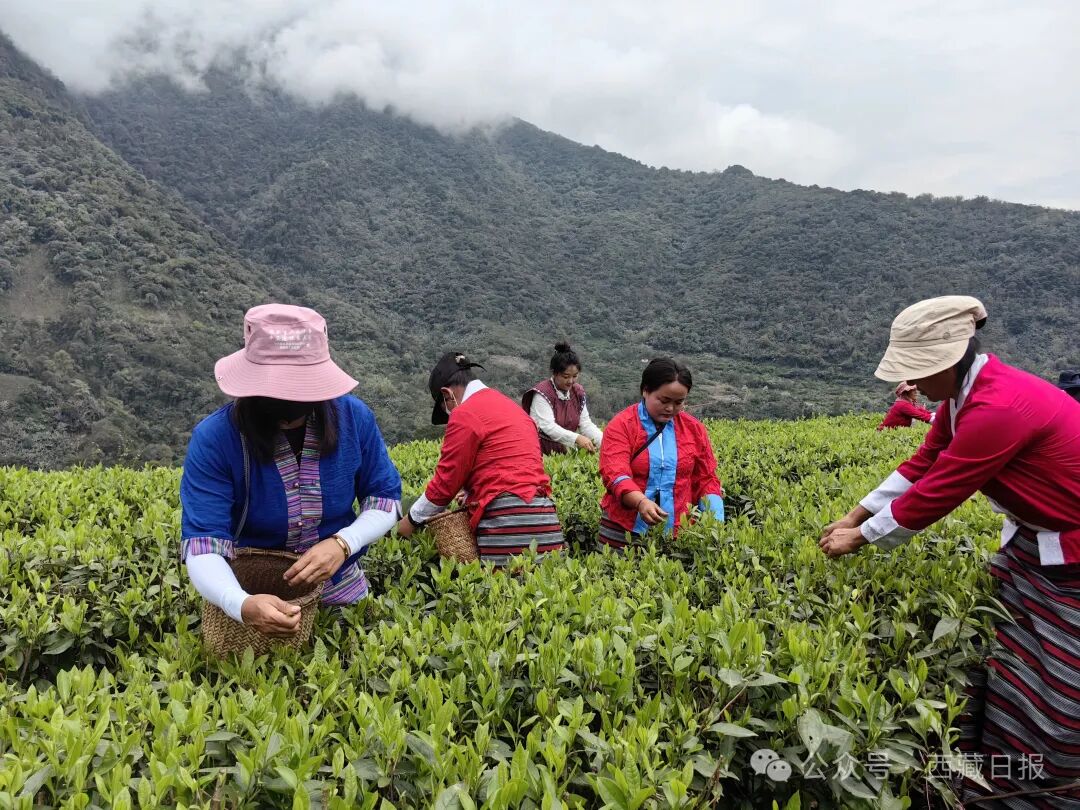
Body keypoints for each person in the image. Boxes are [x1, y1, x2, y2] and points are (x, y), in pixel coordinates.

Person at [819, 296, 1080, 803]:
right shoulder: (963, 397)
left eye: (919, 372)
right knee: (1010, 667)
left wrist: (862, 538)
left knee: (1060, 692)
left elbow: (942, 489)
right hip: (1031, 547)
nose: (913, 385)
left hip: (1071, 557)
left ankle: (1044, 789)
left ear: (949, 360)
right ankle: (997, 769)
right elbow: (922, 462)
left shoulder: (999, 406)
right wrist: (855, 514)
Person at [180, 304, 402, 638]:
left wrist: (343, 543)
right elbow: (203, 544)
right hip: (252, 595)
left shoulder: (354, 418)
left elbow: (385, 499)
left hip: (342, 587)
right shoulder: (215, 439)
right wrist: (239, 603)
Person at [395, 352, 564, 565]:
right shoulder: (514, 409)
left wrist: (410, 521)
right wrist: (471, 494)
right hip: (546, 522)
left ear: (447, 394)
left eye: (445, 407)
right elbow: (509, 466)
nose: (449, 414)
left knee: (503, 593)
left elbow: (444, 486)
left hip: (506, 526)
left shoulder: (465, 413)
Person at [598, 358, 724, 550]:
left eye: (679, 402)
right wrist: (640, 502)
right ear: (645, 390)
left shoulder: (693, 429)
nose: (670, 408)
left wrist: (716, 517)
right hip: (623, 528)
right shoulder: (623, 425)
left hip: (677, 531)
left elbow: (705, 478)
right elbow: (615, 474)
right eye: (664, 401)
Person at [522, 343, 604, 454]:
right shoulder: (542, 394)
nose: (570, 381)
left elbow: (585, 424)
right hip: (540, 452)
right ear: (555, 373)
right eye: (566, 376)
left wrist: (606, 443)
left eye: (575, 376)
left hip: (564, 453)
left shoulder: (577, 392)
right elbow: (548, 427)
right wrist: (576, 438)